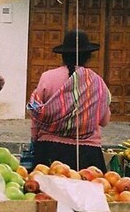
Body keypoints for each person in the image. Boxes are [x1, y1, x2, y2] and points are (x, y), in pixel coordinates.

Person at [28, 30, 111, 171]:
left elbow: (36, 115)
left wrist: (35, 139)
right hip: (87, 154)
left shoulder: (47, 77)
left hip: (50, 150)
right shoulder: (98, 82)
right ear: (88, 56)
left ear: (63, 55)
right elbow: (104, 120)